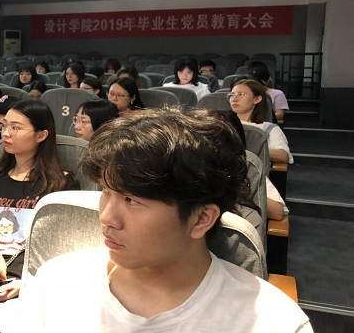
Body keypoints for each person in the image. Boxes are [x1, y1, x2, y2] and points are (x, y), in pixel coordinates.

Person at [20, 109, 312, 332]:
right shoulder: (59, 283)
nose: (106, 217)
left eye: (132, 200)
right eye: (106, 192)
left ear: (201, 218)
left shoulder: (271, 321)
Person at [0, 100, 80, 304]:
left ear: (41, 135)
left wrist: (31, 283)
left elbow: (63, 244)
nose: (6, 133)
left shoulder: (61, 185)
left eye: (15, 128)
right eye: (4, 125)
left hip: (30, 279)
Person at [229, 79, 293, 164]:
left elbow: (283, 155)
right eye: (232, 95)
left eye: (241, 94)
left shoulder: (268, 128)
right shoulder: (221, 124)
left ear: (257, 99)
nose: (234, 99)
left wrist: (244, 151)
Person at [247, 61, 289, 125]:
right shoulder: (245, 94)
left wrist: (256, 118)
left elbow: (280, 115)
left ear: (267, 81)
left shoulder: (277, 94)